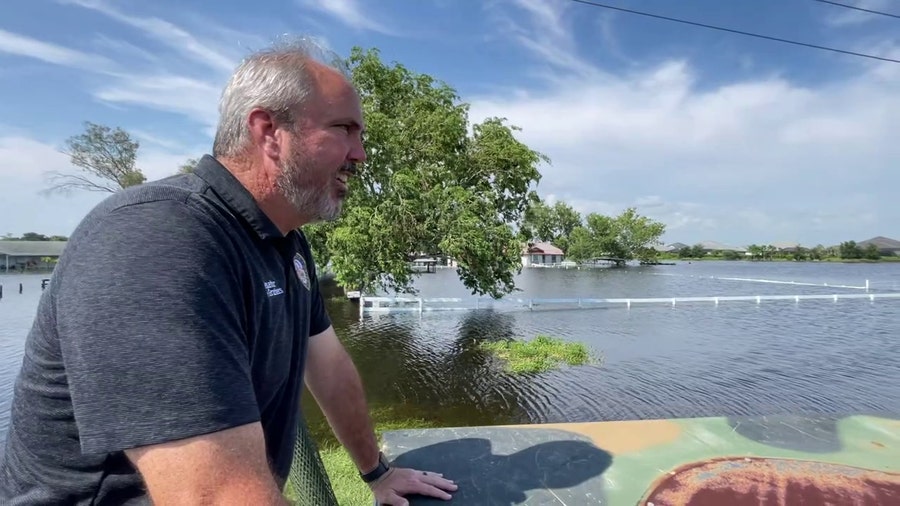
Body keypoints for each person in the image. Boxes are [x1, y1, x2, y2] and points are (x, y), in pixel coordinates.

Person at [0, 37, 457, 505]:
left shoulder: (287, 244)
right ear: (269, 132)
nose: (360, 155)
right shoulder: (156, 237)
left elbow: (329, 368)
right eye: (344, 129)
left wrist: (377, 473)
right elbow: (214, 496)